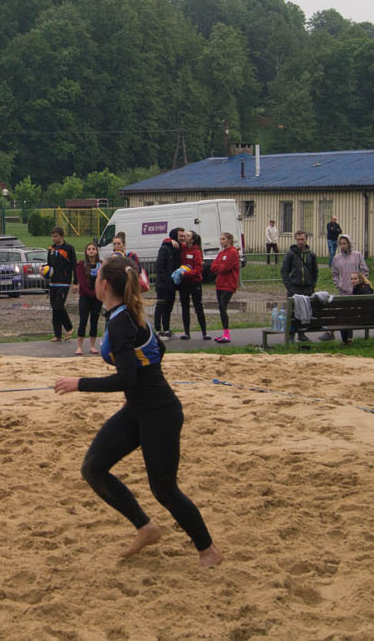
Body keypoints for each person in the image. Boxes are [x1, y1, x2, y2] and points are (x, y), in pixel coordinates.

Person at [53, 255, 223, 568]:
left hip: (160, 412)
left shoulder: (121, 320)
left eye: (97, 275)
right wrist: (135, 391)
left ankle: (208, 550)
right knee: (93, 467)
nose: (93, 279)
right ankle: (145, 527)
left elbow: (128, 376)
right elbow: (158, 351)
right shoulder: (125, 312)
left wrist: (79, 383)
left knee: (164, 489)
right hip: (139, 407)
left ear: (104, 286)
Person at [280, 230, 318, 343]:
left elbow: (315, 272)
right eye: (298, 239)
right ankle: (291, 334)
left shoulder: (311, 254)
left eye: (302, 239)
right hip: (294, 287)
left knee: (305, 311)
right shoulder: (290, 254)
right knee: (292, 313)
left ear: (306, 240)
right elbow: (284, 271)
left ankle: (302, 334)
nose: (300, 241)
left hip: (307, 288)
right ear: (296, 240)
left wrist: (312, 286)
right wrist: (288, 286)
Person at [177, 231, 209, 341]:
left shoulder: (196, 251)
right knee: (185, 307)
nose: (185, 237)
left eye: (188, 236)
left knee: (198, 307)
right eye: (184, 235)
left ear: (193, 239)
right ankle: (187, 332)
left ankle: (204, 333)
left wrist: (186, 273)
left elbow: (198, 270)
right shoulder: (183, 248)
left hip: (194, 282)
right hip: (184, 283)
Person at [151, 227, 183, 340]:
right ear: (174, 236)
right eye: (180, 236)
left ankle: (166, 329)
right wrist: (166, 280)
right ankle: (158, 330)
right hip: (163, 285)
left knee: (169, 307)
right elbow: (159, 267)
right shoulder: (165, 248)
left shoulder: (178, 249)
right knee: (160, 306)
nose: (182, 238)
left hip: (172, 285)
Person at [46, 226, 77, 342]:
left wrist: (75, 282)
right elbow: (48, 265)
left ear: (62, 236)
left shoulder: (69, 248)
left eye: (56, 236)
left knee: (59, 306)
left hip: (64, 283)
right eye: (52, 236)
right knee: (55, 309)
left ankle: (69, 328)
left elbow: (74, 266)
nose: (53, 239)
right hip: (53, 283)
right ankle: (57, 335)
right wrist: (43, 270)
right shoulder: (51, 249)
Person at [209, 233, 240, 344]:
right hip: (220, 284)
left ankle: (227, 333)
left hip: (229, 284)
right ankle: (224, 333)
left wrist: (219, 266)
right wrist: (219, 266)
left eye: (223, 239)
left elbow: (225, 268)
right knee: (221, 307)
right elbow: (213, 267)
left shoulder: (233, 252)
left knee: (223, 305)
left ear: (229, 240)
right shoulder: (221, 253)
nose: (221, 241)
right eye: (220, 239)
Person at [75, 242, 104, 356]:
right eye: (89, 249)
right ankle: (79, 347)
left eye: (93, 249)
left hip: (98, 298)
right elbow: (82, 283)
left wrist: (99, 294)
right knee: (83, 321)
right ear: (86, 252)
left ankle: (92, 346)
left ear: (97, 251)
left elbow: (103, 281)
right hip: (85, 297)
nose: (91, 251)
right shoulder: (81, 264)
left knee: (94, 321)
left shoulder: (101, 265)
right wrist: (93, 293)